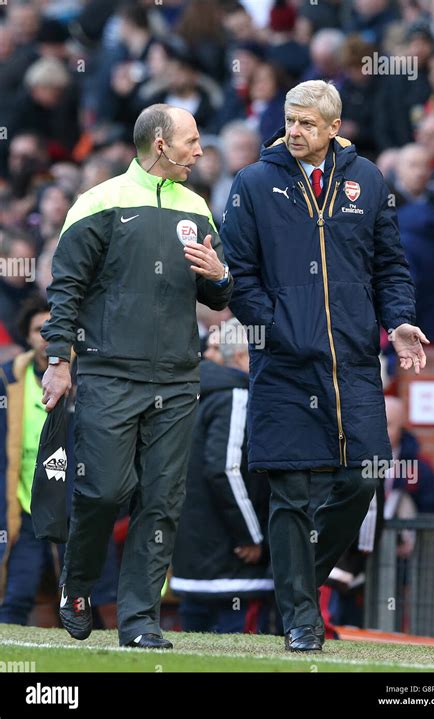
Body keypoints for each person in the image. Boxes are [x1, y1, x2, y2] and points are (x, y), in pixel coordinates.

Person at [220, 79, 429, 652]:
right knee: (289, 490)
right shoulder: (254, 183)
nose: (294, 131)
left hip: (356, 361)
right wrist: (285, 330)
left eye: (308, 123)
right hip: (285, 363)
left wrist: (400, 319)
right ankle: (300, 620)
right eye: (290, 120)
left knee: (364, 477)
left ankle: (298, 587)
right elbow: (237, 274)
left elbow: (389, 265)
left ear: (335, 127)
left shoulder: (367, 180)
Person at [40, 103, 234, 650]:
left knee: (162, 499)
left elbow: (216, 296)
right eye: (191, 141)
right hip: (108, 374)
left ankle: (140, 619)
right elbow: (66, 288)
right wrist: (59, 360)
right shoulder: (97, 202)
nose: (200, 152)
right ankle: (76, 588)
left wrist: (221, 277)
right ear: (159, 145)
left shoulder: (197, 207)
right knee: (102, 492)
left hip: (178, 379)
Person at [0, 295, 119, 628]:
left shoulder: (91, 376)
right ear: (26, 335)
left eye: (56, 329)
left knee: (96, 597)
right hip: (24, 509)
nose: (48, 337)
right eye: (40, 329)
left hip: (80, 505)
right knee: (16, 594)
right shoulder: (8, 380)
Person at [171, 318, 273, 633]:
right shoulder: (234, 394)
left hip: (190, 549)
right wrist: (251, 535)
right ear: (244, 357)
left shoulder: (187, 391)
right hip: (231, 556)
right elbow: (225, 469)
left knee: (191, 653)